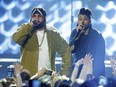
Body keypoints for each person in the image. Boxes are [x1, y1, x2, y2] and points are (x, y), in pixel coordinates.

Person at [12, 7, 71, 77]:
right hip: (29, 77)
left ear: (45, 19)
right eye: (34, 16)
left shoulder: (52, 34)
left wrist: (64, 74)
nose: (36, 18)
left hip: (48, 79)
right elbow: (16, 39)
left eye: (39, 16)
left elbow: (66, 51)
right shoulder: (26, 30)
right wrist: (30, 25)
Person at [69, 8, 105, 78]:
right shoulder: (75, 33)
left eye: (85, 19)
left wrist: (95, 74)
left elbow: (100, 58)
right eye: (80, 19)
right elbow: (70, 50)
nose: (82, 22)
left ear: (90, 21)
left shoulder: (97, 36)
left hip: (92, 72)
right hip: (77, 71)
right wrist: (77, 35)